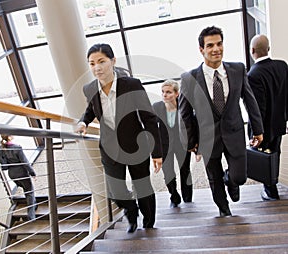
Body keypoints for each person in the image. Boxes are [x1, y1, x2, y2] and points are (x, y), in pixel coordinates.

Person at [76, 43, 162, 233]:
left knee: (143, 188)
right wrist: (84, 121)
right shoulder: (89, 88)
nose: (96, 67)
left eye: (101, 61)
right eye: (91, 63)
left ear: (113, 61)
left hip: (135, 146)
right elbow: (91, 109)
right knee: (117, 192)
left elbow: (148, 118)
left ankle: (149, 224)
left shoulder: (131, 85)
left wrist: (157, 152)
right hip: (109, 148)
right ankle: (132, 214)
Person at [178, 26, 264, 217]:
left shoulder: (238, 69)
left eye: (219, 44)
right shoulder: (189, 78)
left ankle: (231, 181)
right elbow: (184, 114)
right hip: (207, 139)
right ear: (201, 49)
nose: (216, 49)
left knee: (240, 177)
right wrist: (191, 143)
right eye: (210, 45)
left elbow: (249, 100)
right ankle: (224, 211)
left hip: (234, 132)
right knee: (214, 179)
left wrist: (257, 129)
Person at [248, 34, 288, 201]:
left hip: (264, 127)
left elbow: (258, 108)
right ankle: (273, 184)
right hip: (280, 121)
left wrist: (255, 132)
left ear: (252, 51)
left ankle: (270, 191)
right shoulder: (282, 66)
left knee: (264, 158)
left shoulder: (253, 74)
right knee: (275, 153)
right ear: (268, 48)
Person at [153, 79, 193, 208]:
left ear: (177, 94)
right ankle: (174, 196)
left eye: (169, 92)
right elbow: (152, 128)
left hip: (182, 144)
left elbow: (192, 125)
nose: (165, 95)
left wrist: (194, 144)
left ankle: (188, 197)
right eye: (163, 92)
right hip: (164, 145)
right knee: (168, 172)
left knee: (185, 170)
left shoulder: (184, 106)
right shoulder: (157, 107)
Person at [0, 134, 37, 221]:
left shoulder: (1, 148)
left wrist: (0, 159)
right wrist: (32, 173)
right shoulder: (17, 147)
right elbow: (25, 162)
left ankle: (34, 204)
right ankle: (31, 216)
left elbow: (3, 165)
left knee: (25, 188)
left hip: (12, 174)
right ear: (9, 137)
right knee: (29, 191)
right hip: (21, 173)